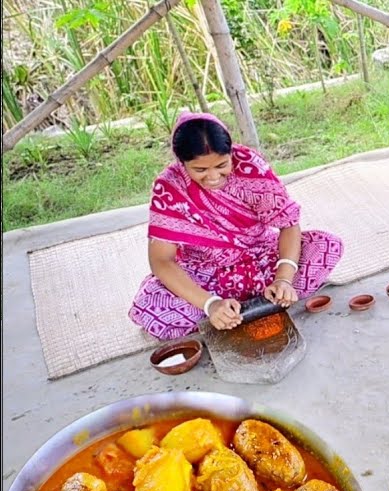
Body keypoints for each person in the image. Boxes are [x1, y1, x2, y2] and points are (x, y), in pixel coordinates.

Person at [128, 112, 343, 340]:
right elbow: (161, 260)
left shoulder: (250, 166)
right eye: (200, 170)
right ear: (182, 162)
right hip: (207, 274)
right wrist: (210, 303)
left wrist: (283, 278)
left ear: (230, 153)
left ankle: (261, 300)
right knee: (150, 305)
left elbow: (288, 224)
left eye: (222, 165)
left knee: (326, 246)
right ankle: (244, 308)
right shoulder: (169, 187)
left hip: (261, 260)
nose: (213, 177)